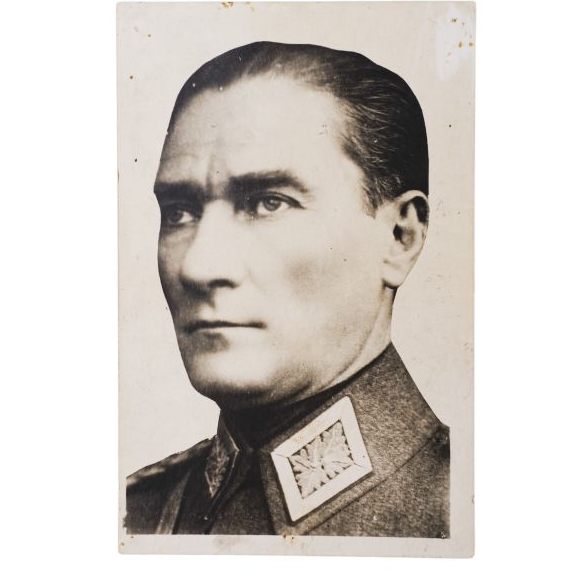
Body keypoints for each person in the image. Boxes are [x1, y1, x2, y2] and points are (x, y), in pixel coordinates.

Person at [125, 41, 449, 537]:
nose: (197, 267)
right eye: (179, 212)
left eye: (268, 202)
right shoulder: (136, 515)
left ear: (399, 237)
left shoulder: (465, 511)